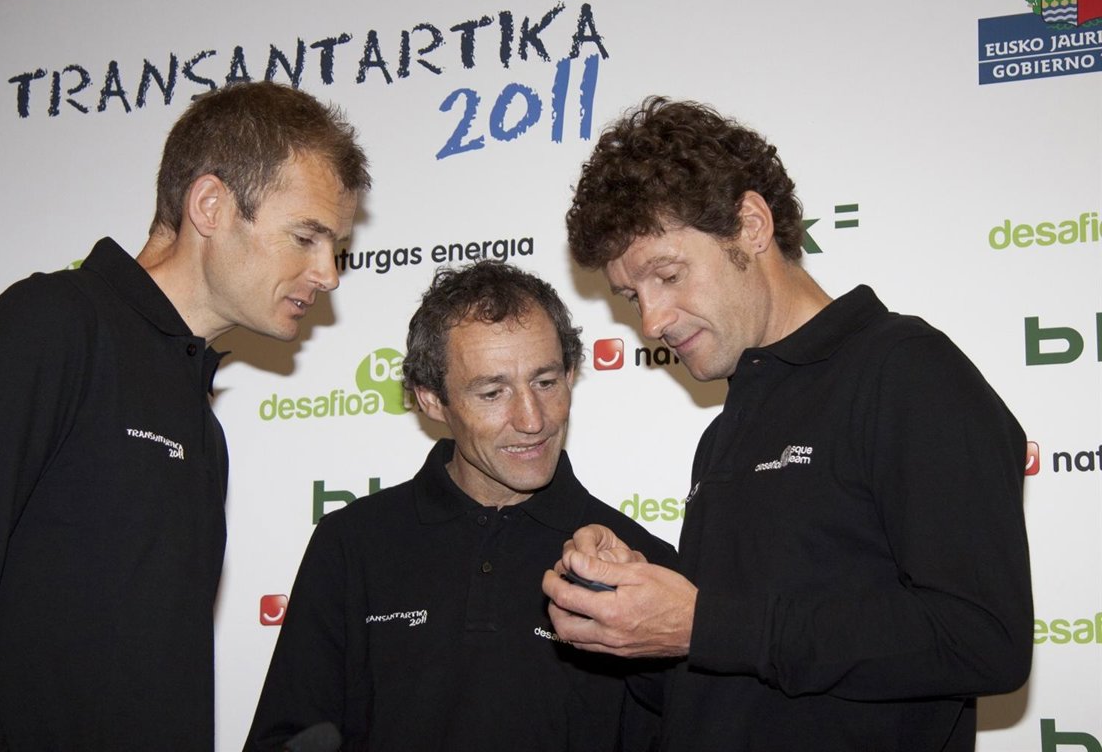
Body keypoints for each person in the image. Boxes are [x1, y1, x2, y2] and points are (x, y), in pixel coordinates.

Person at [541, 97, 1032, 752]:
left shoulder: (906, 371)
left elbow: (983, 641)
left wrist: (705, 624)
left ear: (751, 225)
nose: (651, 321)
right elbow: (732, 682)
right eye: (634, 296)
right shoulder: (725, 432)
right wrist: (633, 614)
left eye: (669, 275)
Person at [0, 81, 369, 752]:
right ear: (210, 205)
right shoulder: (53, 324)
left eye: (336, 247)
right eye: (305, 237)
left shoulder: (200, 423)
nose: (328, 273)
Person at [244, 260, 676, 752]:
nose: (532, 420)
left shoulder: (639, 565)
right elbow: (290, 734)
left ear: (571, 374)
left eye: (546, 382)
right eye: (493, 392)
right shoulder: (351, 543)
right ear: (431, 399)